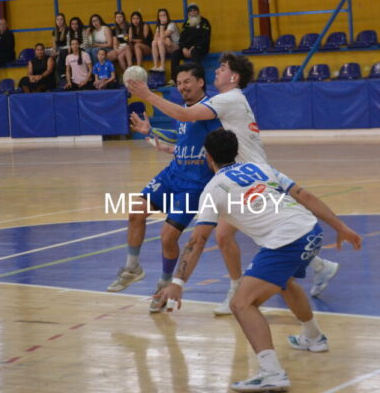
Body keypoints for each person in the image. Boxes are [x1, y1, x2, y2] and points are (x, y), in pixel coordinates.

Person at [126, 52, 341, 316]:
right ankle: (319, 267)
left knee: (235, 234)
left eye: (222, 68)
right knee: (246, 232)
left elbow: (183, 114)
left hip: (253, 174)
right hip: (248, 173)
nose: (216, 71)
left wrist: (146, 95)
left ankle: (238, 291)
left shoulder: (227, 99)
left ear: (234, 77)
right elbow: (185, 137)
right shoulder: (228, 101)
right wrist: (153, 135)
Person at [154, 128, 362, 392]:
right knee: (285, 282)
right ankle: (313, 336)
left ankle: (271, 372)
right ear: (236, 150)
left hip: (286, 242)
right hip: (312, 231)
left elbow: (197, 241)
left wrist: (178, 282)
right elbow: (305, 196)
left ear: (208, 157)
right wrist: (341, 227)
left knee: (241, 303)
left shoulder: (213, 189)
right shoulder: (260, 167)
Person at [106, 63, 223, 313]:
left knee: (168, 236)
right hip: (173, 173)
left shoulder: (210, 109)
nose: (183, 87)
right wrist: (151, 131)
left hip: (195, 184)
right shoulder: (183, 110)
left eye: (187, 82)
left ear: (201, 82)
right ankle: (132, 267)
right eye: (179, 83)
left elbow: (219, 144)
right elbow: (182, 137)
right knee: (136, 211)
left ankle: (165, 282)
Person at [170, 3, 211, 80]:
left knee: (194, 52)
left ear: (198, 12)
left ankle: (197, 77)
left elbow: (205, 38)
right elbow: (181, 39)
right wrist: (183, 48)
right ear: (188, 13)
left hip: (200, 47)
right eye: (191, 11)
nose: (193, 12)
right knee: (175, 54)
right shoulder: (186, 24)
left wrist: (194, 47)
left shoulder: (204, 22)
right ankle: (174, 79)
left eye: (195, 10)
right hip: (187, 49)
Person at [60, 16, 84, 83]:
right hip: (73, 48)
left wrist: (76, 47)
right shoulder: (69, 33)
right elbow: (68, 44)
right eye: (72, 24)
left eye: (76, 24)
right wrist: (70, 47)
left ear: (79, 24)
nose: (74, 25)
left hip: (82, 48)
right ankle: (63, 74)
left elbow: (86, 43)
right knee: (62, 52)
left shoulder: (83, 31)